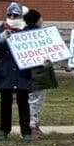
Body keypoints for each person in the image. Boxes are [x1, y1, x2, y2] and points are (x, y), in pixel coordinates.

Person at [0, 1, 33, 141]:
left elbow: (36, 50)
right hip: (5, 71)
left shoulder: (27, 31)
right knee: (5, 103)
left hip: (21, 71)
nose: (12, 17)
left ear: (20, 15)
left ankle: (26, 132)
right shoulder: (0, 29)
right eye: (10, 14)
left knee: (23, 103)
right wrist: (0, 38)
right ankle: (4, 130)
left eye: (15, 14)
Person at [24, 8, 57, 138]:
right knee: (35, 100)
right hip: (38, 74)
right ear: (37, 20)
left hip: (30, 74)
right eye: (41, 17)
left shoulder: (23, 34)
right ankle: (32, 125)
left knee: (32, 100)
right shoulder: (40, 36)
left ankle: (31, 124)